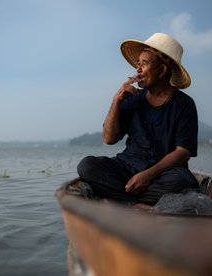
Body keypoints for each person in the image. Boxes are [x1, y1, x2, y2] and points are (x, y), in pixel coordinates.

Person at [77, 33, 199, 208]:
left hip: (163, 173)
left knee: (180, 180)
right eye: (138, 63)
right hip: (128, 167)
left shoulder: (183, 104)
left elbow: (183, 152)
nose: (138, 69)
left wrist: (148, 175)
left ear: (162, 71)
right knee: (87, 166)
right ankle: (137, 204)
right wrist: (117, 100)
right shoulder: (132, 98)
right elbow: (109, 139)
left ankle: (121, 200)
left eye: (144, 63)